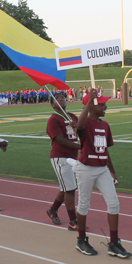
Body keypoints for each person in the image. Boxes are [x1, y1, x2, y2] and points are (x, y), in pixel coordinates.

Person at [72, 89, 131, 258]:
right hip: (86, 168)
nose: (105, 106)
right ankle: (81, 240)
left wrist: (112, 171)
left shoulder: (105, 125)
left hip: (102, 168)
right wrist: (90, 100)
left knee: (113, 204)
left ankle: (113, 243)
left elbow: (105, 151)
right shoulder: (85, 124)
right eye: (102, 104)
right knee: (84, 204)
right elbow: (80, 126)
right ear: (91, 106)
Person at [45, 93, 82, 230]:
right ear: (53, 104)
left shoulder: (72, 117)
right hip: (61, 156)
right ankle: (73, 221)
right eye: (57, 99)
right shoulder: (54, 119)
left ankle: (52, 210)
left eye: (63, 98)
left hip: (73, 156)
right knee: (70, 188)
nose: (61, 100)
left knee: (66, 187)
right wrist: (80, 147)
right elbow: (59, 139)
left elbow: (80, 133)